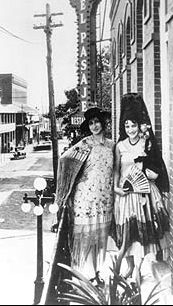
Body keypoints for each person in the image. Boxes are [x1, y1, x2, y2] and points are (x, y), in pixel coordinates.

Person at [110, 93, 170, 280]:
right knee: (127, 232)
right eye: (126, 126)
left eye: (133, 125)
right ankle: (129, 266)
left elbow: (155, 166)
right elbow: (117, 171)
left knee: (145, 232)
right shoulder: (120, 146)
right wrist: (116, 188)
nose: (130, 130)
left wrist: (152, 175)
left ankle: (140, 267)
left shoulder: (147, 143)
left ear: (139, 125)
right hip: (126, 194)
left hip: (145, 194)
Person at [55, 107, 114, 284]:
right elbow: (64, 160)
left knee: (101, 236)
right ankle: (86, 276)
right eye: (91, 123)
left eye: (97, 122)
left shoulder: (112, 145)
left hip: (105, 196)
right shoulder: (85, 144)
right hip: (85, 198)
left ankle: (98, 272)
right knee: (86, 237)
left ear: (103, 123)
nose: (95, 126)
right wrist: (76, 181)